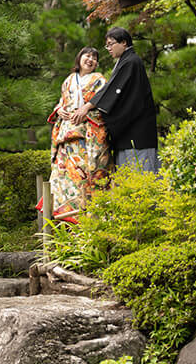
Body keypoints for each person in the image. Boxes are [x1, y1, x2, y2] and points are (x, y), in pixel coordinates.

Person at [70, 27, 159, 172]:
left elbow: (112, 89)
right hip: (129, 133)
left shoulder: (131, 61)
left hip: (137, 133)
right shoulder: (126, 61)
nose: (108, 48)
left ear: (123, 43)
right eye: (107, 45)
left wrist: (87, 107)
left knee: (140, 176)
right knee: (128, 180)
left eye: (111, 44)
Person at [45, 46, 111, 221]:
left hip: (87, 133)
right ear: (79, 58)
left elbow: (104, 102)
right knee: (65, 173)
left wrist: (85, 112)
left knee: (87, 173)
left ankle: (88, 218)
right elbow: (62, 101)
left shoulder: (99, 80)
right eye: (87, 56)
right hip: (67, 134)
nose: (90, 60)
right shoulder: (68, 80)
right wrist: (59, 110)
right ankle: (64, 216)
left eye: (94, 58)